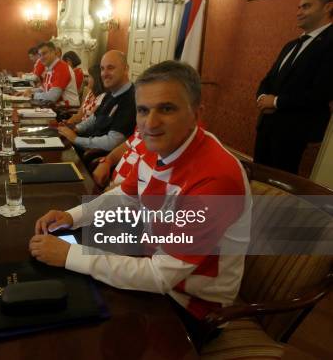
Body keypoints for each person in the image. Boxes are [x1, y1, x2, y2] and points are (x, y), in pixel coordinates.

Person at [30, 60, 251, 347]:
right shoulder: (156, 144)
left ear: (197, 113)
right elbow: (125, 195)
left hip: (191, 307)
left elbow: (161, 276)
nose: (151, 123)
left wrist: (70, 256)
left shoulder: (216, 180)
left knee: (68, 328)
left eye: (167, 108)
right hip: (148, 262)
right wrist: (72, 217)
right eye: (143, 110)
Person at [254, 0, 333, 174]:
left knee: (281, 191)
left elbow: (321, 92)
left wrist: (276, 102)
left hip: (295, 131)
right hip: (267, 125)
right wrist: (262, 97)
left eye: (306, 6)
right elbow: (269, 78)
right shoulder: (291, 45)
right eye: (299, 7)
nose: (298, 12)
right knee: (259, 178)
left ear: (328, 7)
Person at [57, 50, 135, 151]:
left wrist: (76, 139)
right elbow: (94, 118)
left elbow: (112, 142)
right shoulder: (110, 93)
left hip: (94, 155)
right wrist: (76, 128)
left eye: (110, 68)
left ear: (126, 69)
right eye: (102, 69)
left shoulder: (131, 99)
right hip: (87, 142)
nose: (104, 74)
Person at [19, 42, 79, 107]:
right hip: (54, 107)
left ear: (53, 52)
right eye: (39, 55)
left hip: (67, 109)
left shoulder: (62, 68)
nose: (41, 58)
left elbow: (52, 97)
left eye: (44, 53)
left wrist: (33, 95)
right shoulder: (50, 67)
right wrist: (29, 91)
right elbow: (43, 89)